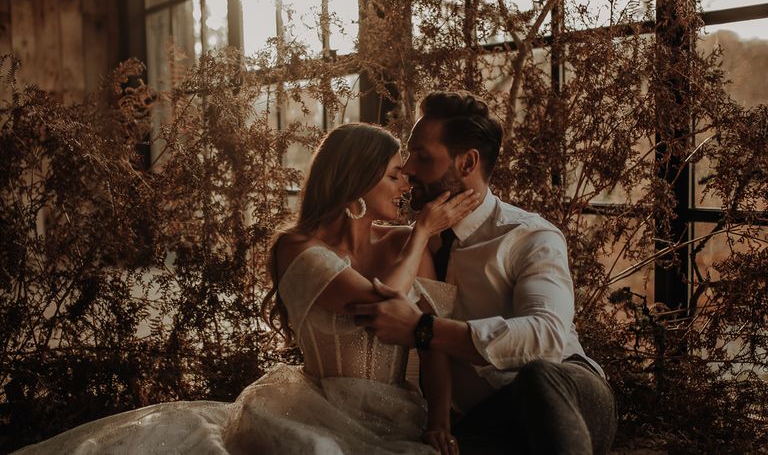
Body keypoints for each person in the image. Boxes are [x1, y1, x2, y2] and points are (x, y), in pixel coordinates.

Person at [16, 122, 479, 455]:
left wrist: (439, 422)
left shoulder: (407, 244)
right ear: (356, 180)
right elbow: (383, 308)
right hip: (321, 407)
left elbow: (430, 337)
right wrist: (422, 232)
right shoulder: (297, 248)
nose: (406, 185)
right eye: (395, 174)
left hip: (399, 412)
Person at [353, 92, 618, 455]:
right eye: (409, 153)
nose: (408, 168)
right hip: (486, 418)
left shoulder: (528, 236)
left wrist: (423, 330)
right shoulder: (409, 242)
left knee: (537, 377)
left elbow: (547, 338)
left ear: (467, 163)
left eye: (423, 156)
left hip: (567, 392)